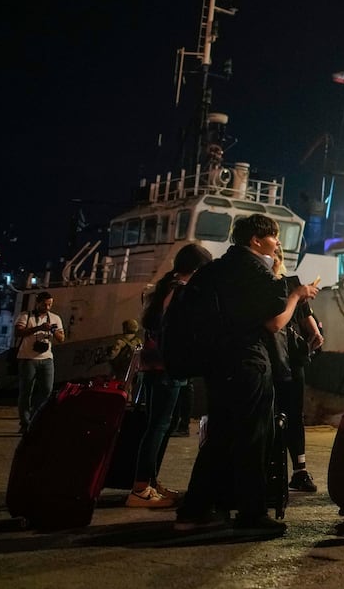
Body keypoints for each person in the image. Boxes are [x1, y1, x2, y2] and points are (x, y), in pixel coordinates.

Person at [173, 213, 319, 534]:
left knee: (221, 436)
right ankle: (252, 515)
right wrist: (297, 294)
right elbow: (274, 322)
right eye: (274, 236)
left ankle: (193, 512)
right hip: (246, 361)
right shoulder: (254, 270)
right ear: (256, 240)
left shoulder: (218, 268)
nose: (278, 242)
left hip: (217, 363)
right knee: (254, 437)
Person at [127, 243, 212, 508]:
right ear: (197, 269)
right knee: (159, 426)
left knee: (158, 425)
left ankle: (151, 482)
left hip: (154, 364)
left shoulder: (164, 287)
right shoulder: (180, 291)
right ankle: (141, 488)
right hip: (168, 365)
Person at [271, 250, 323, 494]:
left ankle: (299, 470)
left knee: (293, 413)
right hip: (268, 356)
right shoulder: (261, 284)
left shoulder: (291, 283)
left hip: (291, 356)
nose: (274, 255)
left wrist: (315, 334)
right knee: (270, 414)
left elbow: (306, 317)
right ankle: (269, 470)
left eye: (277, 252)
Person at [13, 291, 65, 434]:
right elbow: (18, 333)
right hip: (28, 358)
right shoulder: (25, 316)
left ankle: (36, 419)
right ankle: (25, 422)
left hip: (47, 359)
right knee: (26, 391)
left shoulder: (55, 318)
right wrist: (38, 328)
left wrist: (53, 331)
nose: (47, 307)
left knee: (47, 390)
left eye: (50, 304)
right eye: (45, 304)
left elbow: (61, 338)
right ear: (38, 303)